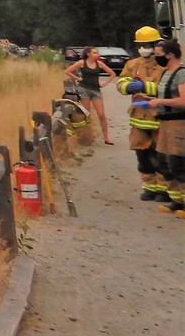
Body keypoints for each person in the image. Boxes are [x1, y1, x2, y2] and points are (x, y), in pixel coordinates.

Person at [119, 27, 168, 201]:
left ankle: (164, 190)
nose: (143, 48)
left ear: (156, 44)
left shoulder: (165, 65)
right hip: (139, 119)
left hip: (159, 119)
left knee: (162, 157)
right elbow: (121, 83)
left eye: (146, 44)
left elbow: (167, 89)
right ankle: (149, 188)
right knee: (142, 156)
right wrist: (127, 86)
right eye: (140, 45)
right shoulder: (133, 64)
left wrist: (144, 87)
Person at [144, 38, 185, 217]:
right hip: (164, 123)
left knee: (178, 163)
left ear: (170, 55)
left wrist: (160, 101)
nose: (156, 58)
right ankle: (177, 201)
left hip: (178, 123)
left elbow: (183, 101)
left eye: (159, 55)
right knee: (164, 162)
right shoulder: (166, 73)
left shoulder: (181, 74)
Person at [64, 46, 118, 144]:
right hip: (84, 89)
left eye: (96, 53)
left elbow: (112, 74)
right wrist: (77, 78)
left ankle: (106, 138)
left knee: (101, 114)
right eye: (94, 53)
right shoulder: (82, 62)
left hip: (96, 90)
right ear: (88, 54)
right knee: (86, 114)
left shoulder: (99, 64)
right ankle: (88, 136)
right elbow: (67, 71)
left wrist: (104, 83)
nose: (96, 54)